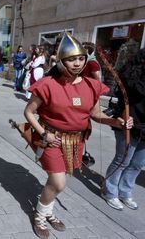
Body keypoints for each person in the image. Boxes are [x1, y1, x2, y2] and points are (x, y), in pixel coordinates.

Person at [23, 32, 133, 239]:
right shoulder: (47, 84)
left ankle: (48, 212)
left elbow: (95, 114)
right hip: (52, 140)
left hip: (76, 141)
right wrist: (43, 133)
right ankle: (39, 215)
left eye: (81, 58)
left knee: (57, 183)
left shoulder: (91, 85)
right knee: (58, 183)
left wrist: (115, 122)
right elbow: (29, 112)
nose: (77, 63)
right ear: (62, 61)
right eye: (72, 59)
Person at [103, 48, 145, 211]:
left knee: (137, 164)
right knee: (123, 160)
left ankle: (125, 192)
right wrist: (121, 117)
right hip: (129, 123)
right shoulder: (130, 75)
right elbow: (122, 97)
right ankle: (110, 192)